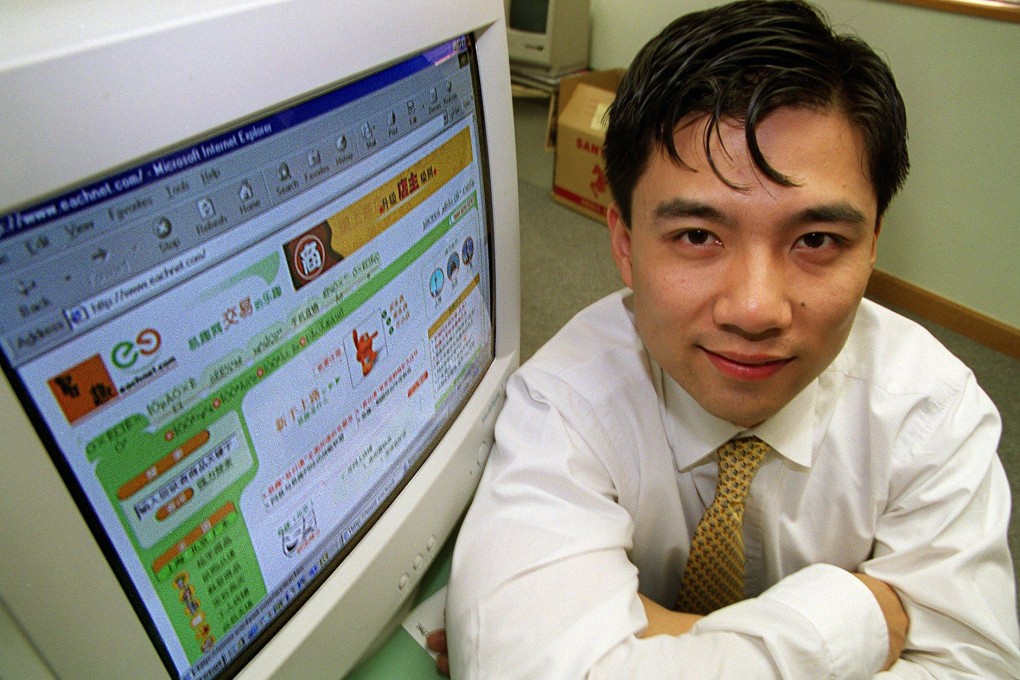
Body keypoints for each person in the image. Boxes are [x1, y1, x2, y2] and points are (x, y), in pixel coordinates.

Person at [439, 0, 1020, 677]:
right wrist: (857, 621)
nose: (755, 309)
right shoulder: (567, 399)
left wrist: (650, 637)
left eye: (816, 240)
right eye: (697, 236)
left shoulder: (932, 413)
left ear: (872, 249)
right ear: (624, 244)